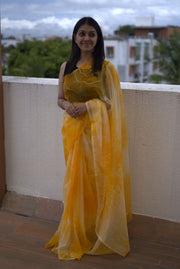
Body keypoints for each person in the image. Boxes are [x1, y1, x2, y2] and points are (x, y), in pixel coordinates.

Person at [45, 17, 132, 260]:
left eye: (91, 34)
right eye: (81, 33)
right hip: (74, 134)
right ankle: (78, 229)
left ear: (98, 38)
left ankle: (99, 230)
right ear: (74, 37)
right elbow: (60, 98)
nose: (86, 38)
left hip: (98, 136)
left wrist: (88, 107)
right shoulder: (66, 67)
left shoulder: (106, 68)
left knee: (98, 182)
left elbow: (112, 103)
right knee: (76, 183)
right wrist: (69, 107)